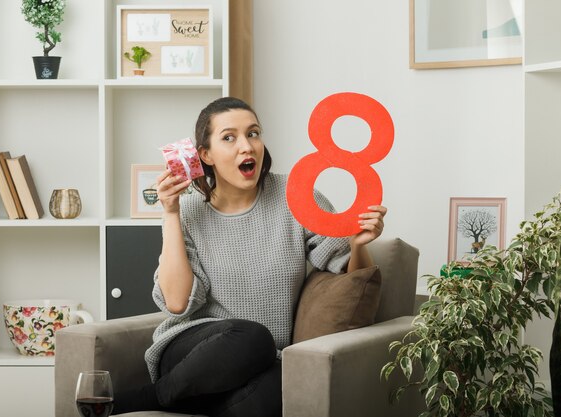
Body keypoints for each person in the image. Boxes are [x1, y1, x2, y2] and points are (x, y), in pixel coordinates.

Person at [113, 97, 387, 417]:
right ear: (206, 155)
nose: (246, 146)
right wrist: (170, 213)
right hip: (192, 353)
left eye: (253, 133)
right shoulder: (188, 212)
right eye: (229, 137)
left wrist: (359, 245)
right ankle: (150, 397)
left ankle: (182, 401)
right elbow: (176, 303)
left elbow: (354, 278)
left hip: (261, 363)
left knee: (277, 387)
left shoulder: (296, 197)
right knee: (253, 335)